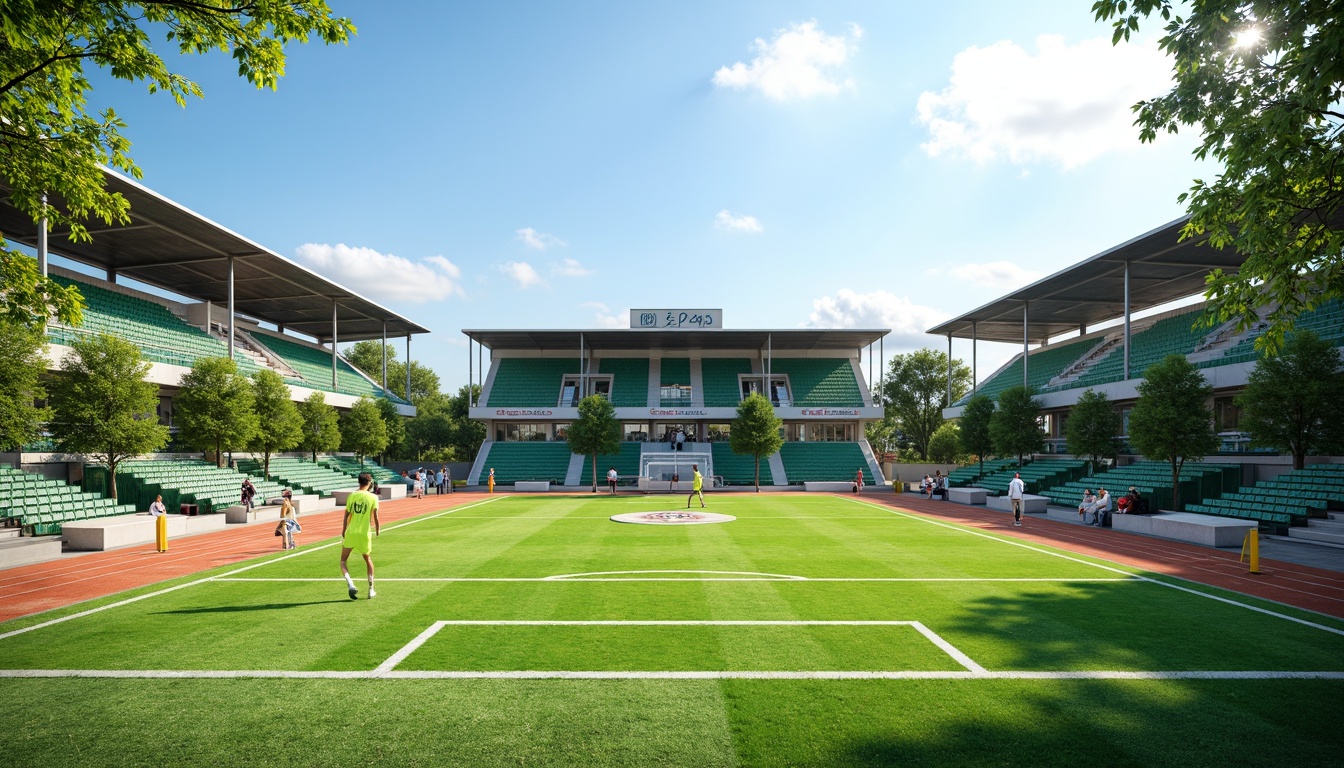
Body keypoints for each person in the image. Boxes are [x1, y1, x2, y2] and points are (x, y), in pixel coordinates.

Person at [340, 473, 381, 600]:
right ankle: (371, 589)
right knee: (368, 559)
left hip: (351, 532)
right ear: (369, 483)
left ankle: (350, 583)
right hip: (364, 533)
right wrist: (378, 529)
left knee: (343, 561)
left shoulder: (352, 495)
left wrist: (344, 530)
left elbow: (346, 515)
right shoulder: (373, 497)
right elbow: (375, 516)